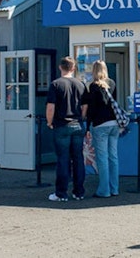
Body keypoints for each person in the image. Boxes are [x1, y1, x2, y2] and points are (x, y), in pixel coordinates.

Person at [46, 56, 87, 202]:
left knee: (63, 159)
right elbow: (84, 107)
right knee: (78, 159)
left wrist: (49, 122)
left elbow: (51, 106)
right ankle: (79, 192)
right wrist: (81, 118)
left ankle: (61, 193)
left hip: (61, 125)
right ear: (73, 68)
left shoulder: (56, 84)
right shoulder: (81, 84)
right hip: (77, 124)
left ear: (60, 67)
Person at [81, 60, 120, 198]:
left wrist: (87, 126)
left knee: (102, 158)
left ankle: (104, 190)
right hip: (114, 123)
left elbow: (91, 109)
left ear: (94, 70)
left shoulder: (91, 86)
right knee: (113, 157)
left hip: (100, 124)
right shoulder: (112, 83)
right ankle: (114, 188)